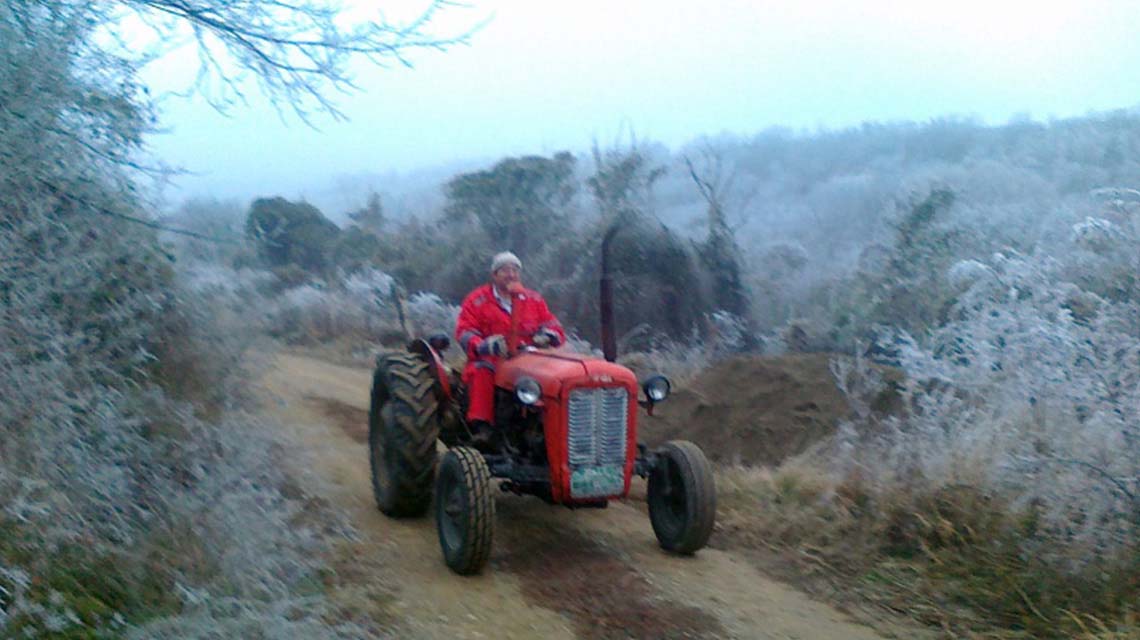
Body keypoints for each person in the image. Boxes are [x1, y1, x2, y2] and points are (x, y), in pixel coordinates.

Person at [455, 251, 566, 434]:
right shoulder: (477, 300)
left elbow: (554, 326)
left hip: (530, 358)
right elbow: (464, 332)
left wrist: (549, 336)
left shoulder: (533, 299)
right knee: (482, 371)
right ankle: (482, 427)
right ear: (494, 275)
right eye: (505, 270)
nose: (511, 274)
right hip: (493, 359)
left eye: (515, 270)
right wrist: (485, 345)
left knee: (558, 376)